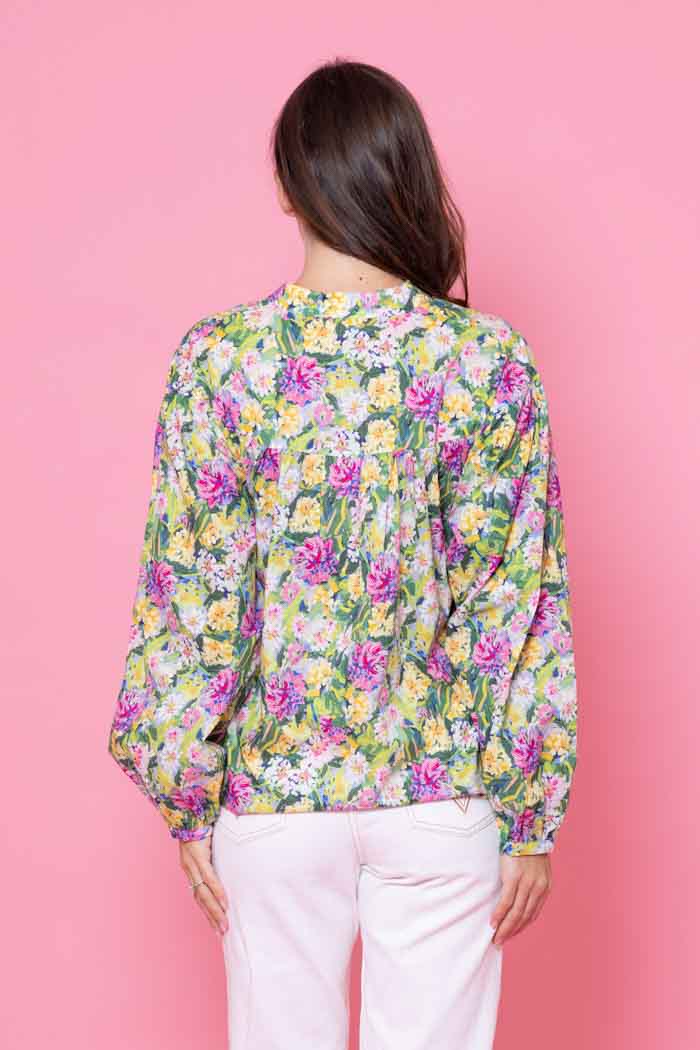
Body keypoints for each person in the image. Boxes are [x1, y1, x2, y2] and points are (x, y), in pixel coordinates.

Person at [107, 58, 578, 1050]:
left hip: (275, 801)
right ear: (408, 177)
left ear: (287, 187)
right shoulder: (484, 359)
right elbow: (512, 598)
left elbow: (192, 593)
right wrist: (530, 812)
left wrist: (187, 797)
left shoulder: (220, 360)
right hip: (440, 795)